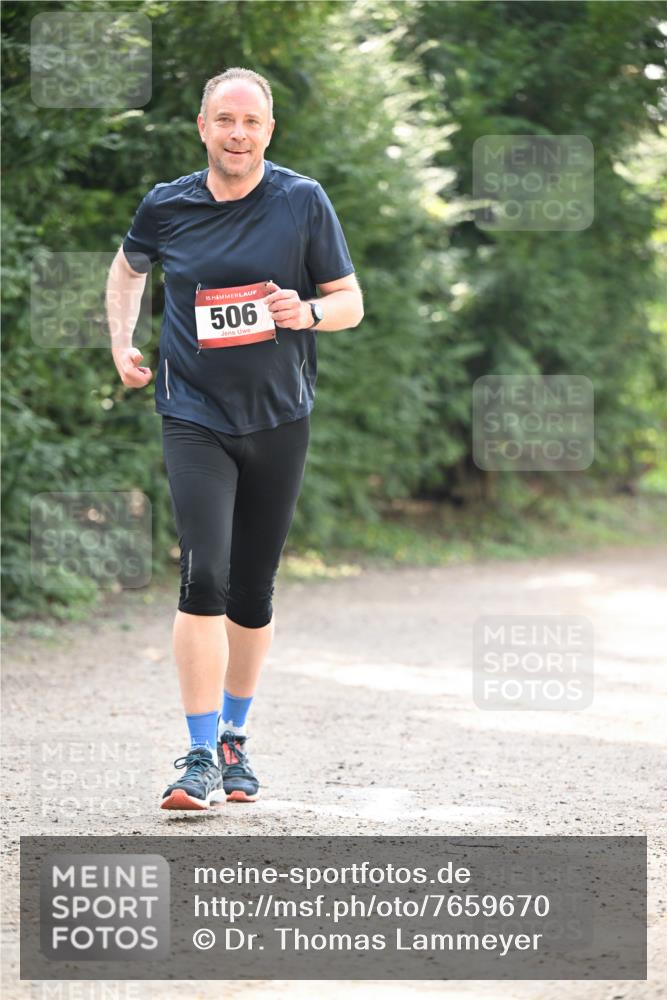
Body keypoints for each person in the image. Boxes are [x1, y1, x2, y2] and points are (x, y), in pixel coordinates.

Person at [107, 67, 363, 811]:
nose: (238, 133)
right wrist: (122, 343)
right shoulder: (168, 205)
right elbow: (127, 270)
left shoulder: (302, 201)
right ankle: (195, 754)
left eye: (251, 122)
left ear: (268, 131)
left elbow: (349, 301)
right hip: (193, 413)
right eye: (225, 120)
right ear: (202, 127)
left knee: (252, 591)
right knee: (205, 576)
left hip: (280, 415)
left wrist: (306, 312)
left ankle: (233, 740)